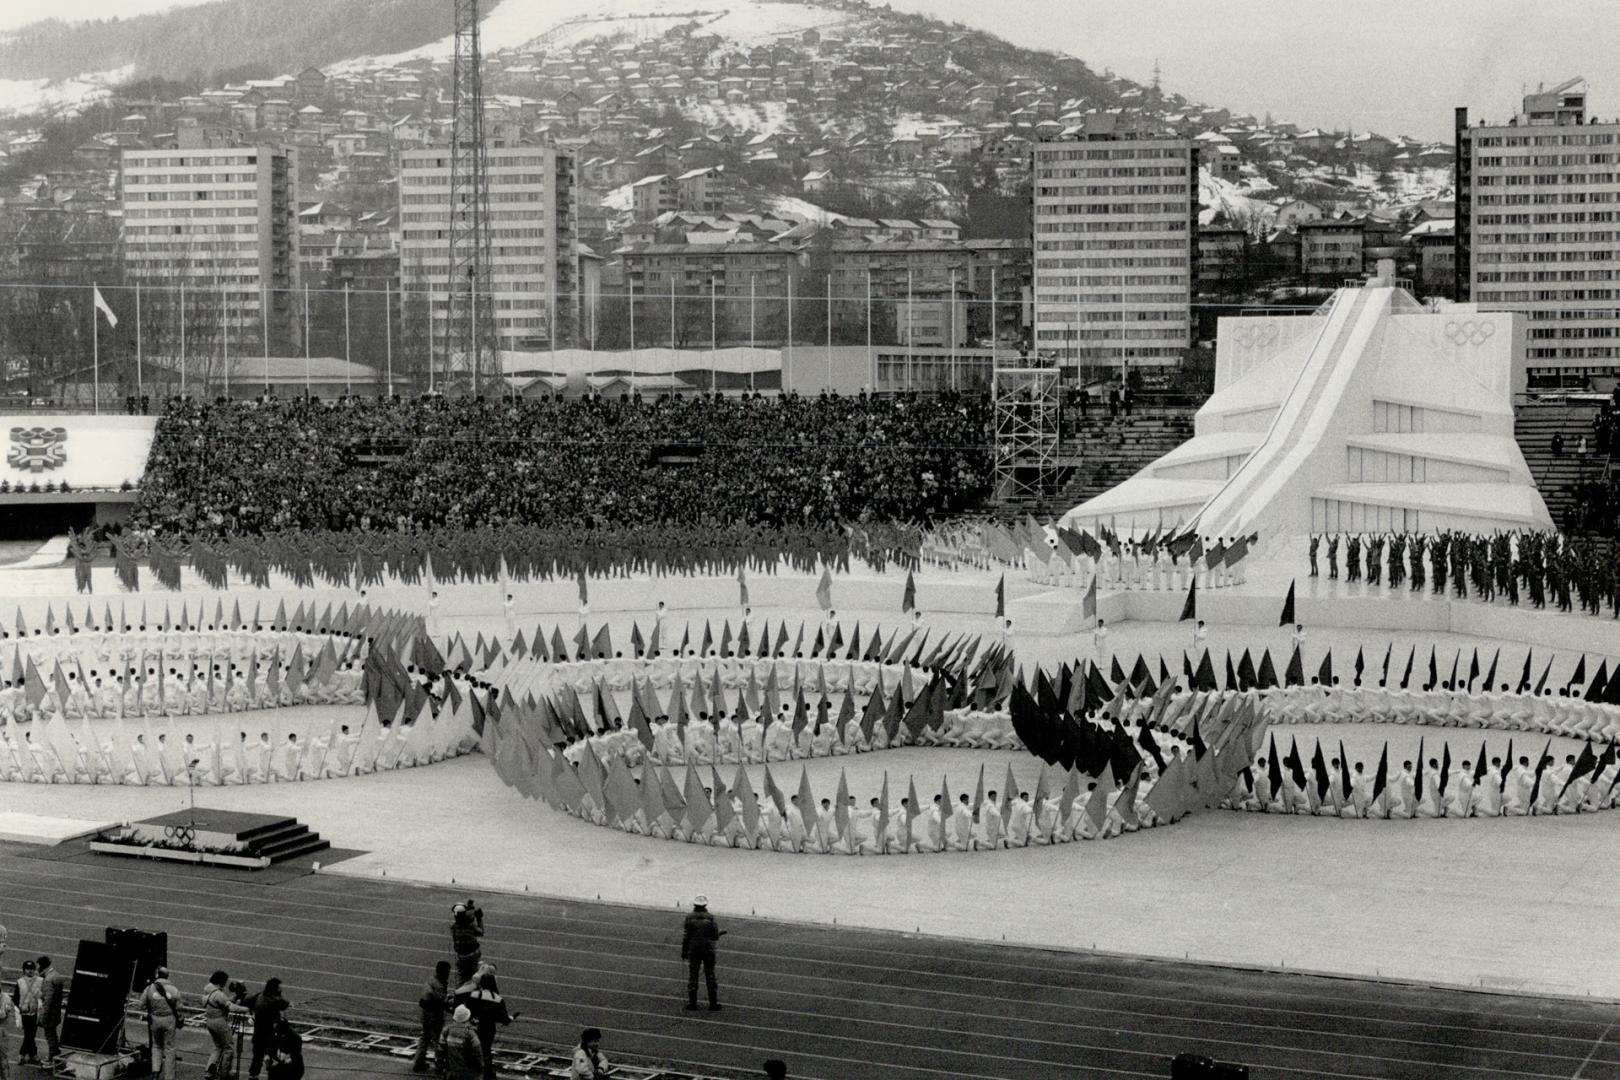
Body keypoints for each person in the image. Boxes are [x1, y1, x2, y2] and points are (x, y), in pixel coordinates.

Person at [465, 970, 517, 1080]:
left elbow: (466, 1012)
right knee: (486, 1050)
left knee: (472, 1049)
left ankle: (471, 1071)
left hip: (473, 1027)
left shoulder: (474, 995)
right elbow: (505, 1020)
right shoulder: (498, 999)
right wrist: (512, 1017)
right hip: (488, 1029)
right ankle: (486, 1073)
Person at [680, 895, 725, 1011]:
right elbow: (714, 936)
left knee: (693, 975)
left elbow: (686, 937)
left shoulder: (689, 918)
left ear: (694, 905)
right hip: (708, 950)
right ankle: (713, 1004)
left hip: (694, 950)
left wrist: (684, 952)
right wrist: (720, 933)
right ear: (705, 905)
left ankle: (692, 1004)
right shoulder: (711, 918)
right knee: (710, 975)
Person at [141, 967, 183, 1080]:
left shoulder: (149, 988)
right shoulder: (174, 989)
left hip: (155, 1019)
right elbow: (179, 1008)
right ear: (167, 976)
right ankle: (169, 1076)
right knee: (170, 1048)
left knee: (156, 1046)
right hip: (169, 1019)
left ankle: (155, 1072)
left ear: (157, 975)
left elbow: (142, 1004)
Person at [201, 970, 244, 1079]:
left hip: (210, 1021)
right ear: (220, 981)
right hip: (220, 1022)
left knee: (218, 1047)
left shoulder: (209, 991)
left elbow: (222, 1002)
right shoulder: (218, 994)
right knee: (228, 1048)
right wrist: (246, 1009)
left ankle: (209, 1070)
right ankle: (225, 1074)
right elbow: (231, 1007)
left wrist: (233, 999)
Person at [246, 977, 290, 1080]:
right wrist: (280, 995)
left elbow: (248, 1001)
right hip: (270, 1034)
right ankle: (275, 1072)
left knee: (257, 1057)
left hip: (258, 1033)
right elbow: (284, 1004)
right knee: (277, 1055)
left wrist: (253, 1014)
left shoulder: (259, 996)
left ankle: (253, 1075)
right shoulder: (275, 1000)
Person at [414, 961, 451, 1073]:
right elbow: (441, 1002)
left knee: (424, 1038)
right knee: (438, 1041)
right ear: (442, 972)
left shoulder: (431, 980)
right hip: (435, 1016)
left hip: (426, 1014)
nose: (449, 974)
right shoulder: (439, 986)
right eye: (447, 972)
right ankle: (439, 1066)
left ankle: (418, 1062)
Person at [38, 955, 66, 1066]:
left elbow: (48, 1000)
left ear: (42, 966)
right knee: (53, 1035)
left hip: (49, 1014)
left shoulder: (49, 979)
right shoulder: (56, 975)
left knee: (50, 1036)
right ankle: (56, 1055)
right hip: (56, 1012)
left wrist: (43, 1016)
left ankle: (53, 1058)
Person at [442, 1005, 483, 1080]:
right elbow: (478, 1051)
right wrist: (481, 1066)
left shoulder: (447, 1029)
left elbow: (440, 1049)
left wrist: (440, 1065)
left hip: (451, 1068)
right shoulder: (470, 1033)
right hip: (467, 1069)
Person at [15, 959, 41, 1067]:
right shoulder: (20, 982)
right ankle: (29, 1055)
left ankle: (27, 1054)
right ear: (24, 970)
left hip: (35, 1013)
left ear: (35, 970)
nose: (30, 971)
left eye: (32, 969)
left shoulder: (40, 981)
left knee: (30, 1035)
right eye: (27, 969)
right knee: (29, 1035)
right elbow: (16, 998)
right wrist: (17, 1012)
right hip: (24, 1013)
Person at [452, 901, 484, 983]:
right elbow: (481, 932)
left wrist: (471, 909)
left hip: (461, 956)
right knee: (475, 975)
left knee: (462, 978)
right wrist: (479, 918)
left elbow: (467, 917)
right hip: (473, 954)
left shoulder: (454, 927)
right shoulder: (470, 925)